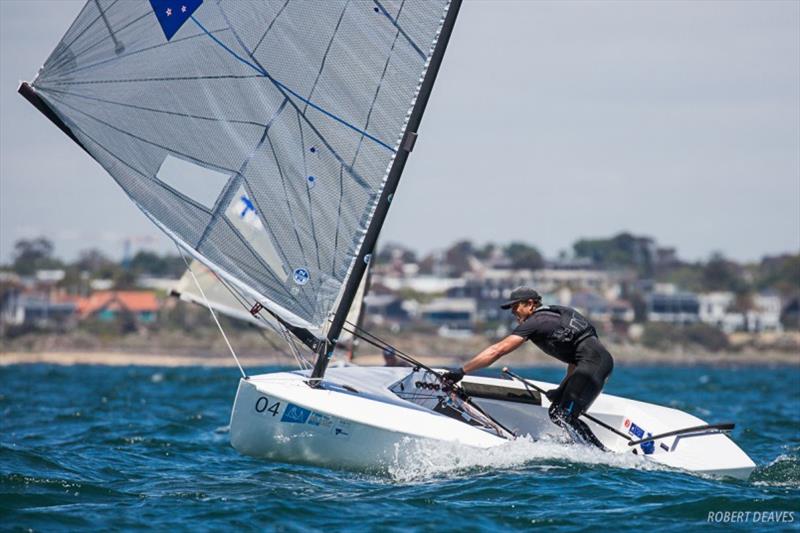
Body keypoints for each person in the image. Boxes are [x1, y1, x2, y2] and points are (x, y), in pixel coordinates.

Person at [441, 286, 613, 449]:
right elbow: (574, 359)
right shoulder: (553, 315)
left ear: (530, 304)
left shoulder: (536, 322)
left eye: (516, 306)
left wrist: (462, 371)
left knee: (564, 415)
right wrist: (562, 388)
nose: (513, 312)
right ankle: (583, 448)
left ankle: (599, 454)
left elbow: (498, 350)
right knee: (558, 413)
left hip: (594, 364)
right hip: (595, 363)